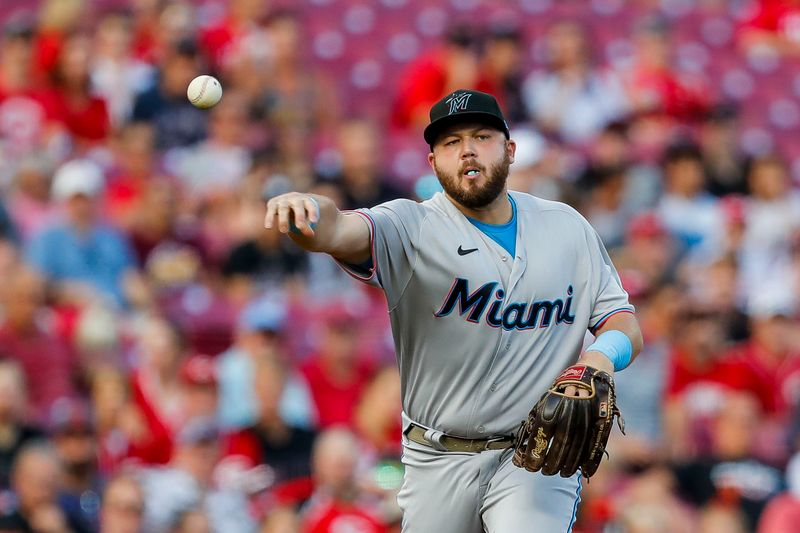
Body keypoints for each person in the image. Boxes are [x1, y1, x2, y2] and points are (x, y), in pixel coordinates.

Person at [264, 89, 643, 531]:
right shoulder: (411, 226)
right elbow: (340, 229)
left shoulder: (567, 227)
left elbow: (623, 322)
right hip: (435, 456)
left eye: (481, 136)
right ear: (432, 163)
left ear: (510, 149)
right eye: (449, 142)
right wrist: (310, 215)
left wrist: (601, 355)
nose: (466, 150)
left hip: (532, 453)